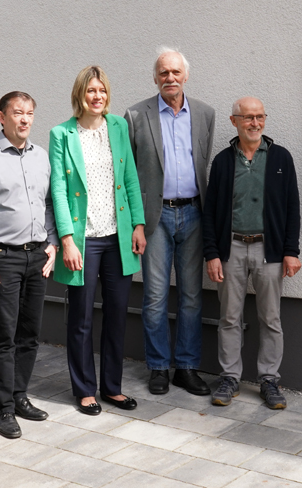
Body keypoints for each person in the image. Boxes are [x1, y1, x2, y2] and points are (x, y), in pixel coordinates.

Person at [50, 65, 146, 416]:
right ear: (80, 94)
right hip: (84, 239)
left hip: (117, 236)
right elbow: (58, 190)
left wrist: (138, 224)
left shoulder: (118, 126)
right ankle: (84, 389)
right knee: (81, 317)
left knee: (118, 315)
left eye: (102, 90)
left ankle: (112, 387)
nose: (97, 96)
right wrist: (67, 239)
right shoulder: (62, 134)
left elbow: (130, 178)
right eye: (91, 91)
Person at [124, 48, 216, 396]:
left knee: (192, 297)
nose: (170, 78)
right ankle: (159, 367)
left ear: (186, 76)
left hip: (194, 213)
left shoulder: (205, 114)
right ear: (155, 78)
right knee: (155, 296)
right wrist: (135, 222)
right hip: (155, 218)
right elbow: (129, 174)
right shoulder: (136, 115)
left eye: (176, 72)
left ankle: (187, 368)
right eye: (163, 73)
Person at [0, 91, 59, 439]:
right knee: (4, 337)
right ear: (1, 117)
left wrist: (51, 242)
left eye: (30, 113)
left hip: (37, 256)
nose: (24, 119)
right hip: (2, 259)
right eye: (17, 113)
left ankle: (20, 396)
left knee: (30, 335)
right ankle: (4, 408)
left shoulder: (41, 157)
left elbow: (49, 203)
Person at [203, 96, 301, 409]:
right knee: (229, 318)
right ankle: (230, 377)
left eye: (259, 116)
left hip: (268, 250)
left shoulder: (281, 159)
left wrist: (291, 251)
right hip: (230, 248)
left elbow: (292, 208)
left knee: (270, 318)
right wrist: (212, 253)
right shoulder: (222, 162)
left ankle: (269, 380)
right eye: (248, 117)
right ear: (235, 121)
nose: (254, 123)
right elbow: (210, 213)